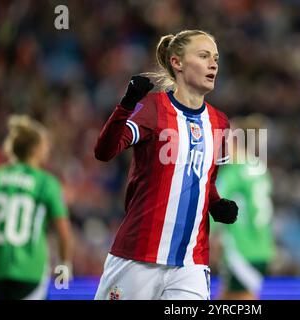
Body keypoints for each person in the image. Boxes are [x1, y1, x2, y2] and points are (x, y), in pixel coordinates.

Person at [94, 30, 238, 300]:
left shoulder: (220, 123)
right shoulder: (152, 108)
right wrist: (126, 105)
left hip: (191, 264)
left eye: (216, 58)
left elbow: (205, 182)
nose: (213, 64)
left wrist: (216, 204)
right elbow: (104, 151)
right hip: (137, 256)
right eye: (204, 56)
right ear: (177, 62)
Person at [0, 115, 72, 300]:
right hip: (30, 271)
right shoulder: (45, 182)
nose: (48, 148)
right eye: (45, 144)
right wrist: (63, 265)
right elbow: (62, 229)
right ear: (35, 149)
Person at [210, 114, 276, 300]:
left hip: (240, 248)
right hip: (263, 246)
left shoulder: (233, 173)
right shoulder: (260, 168)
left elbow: (214, 208)